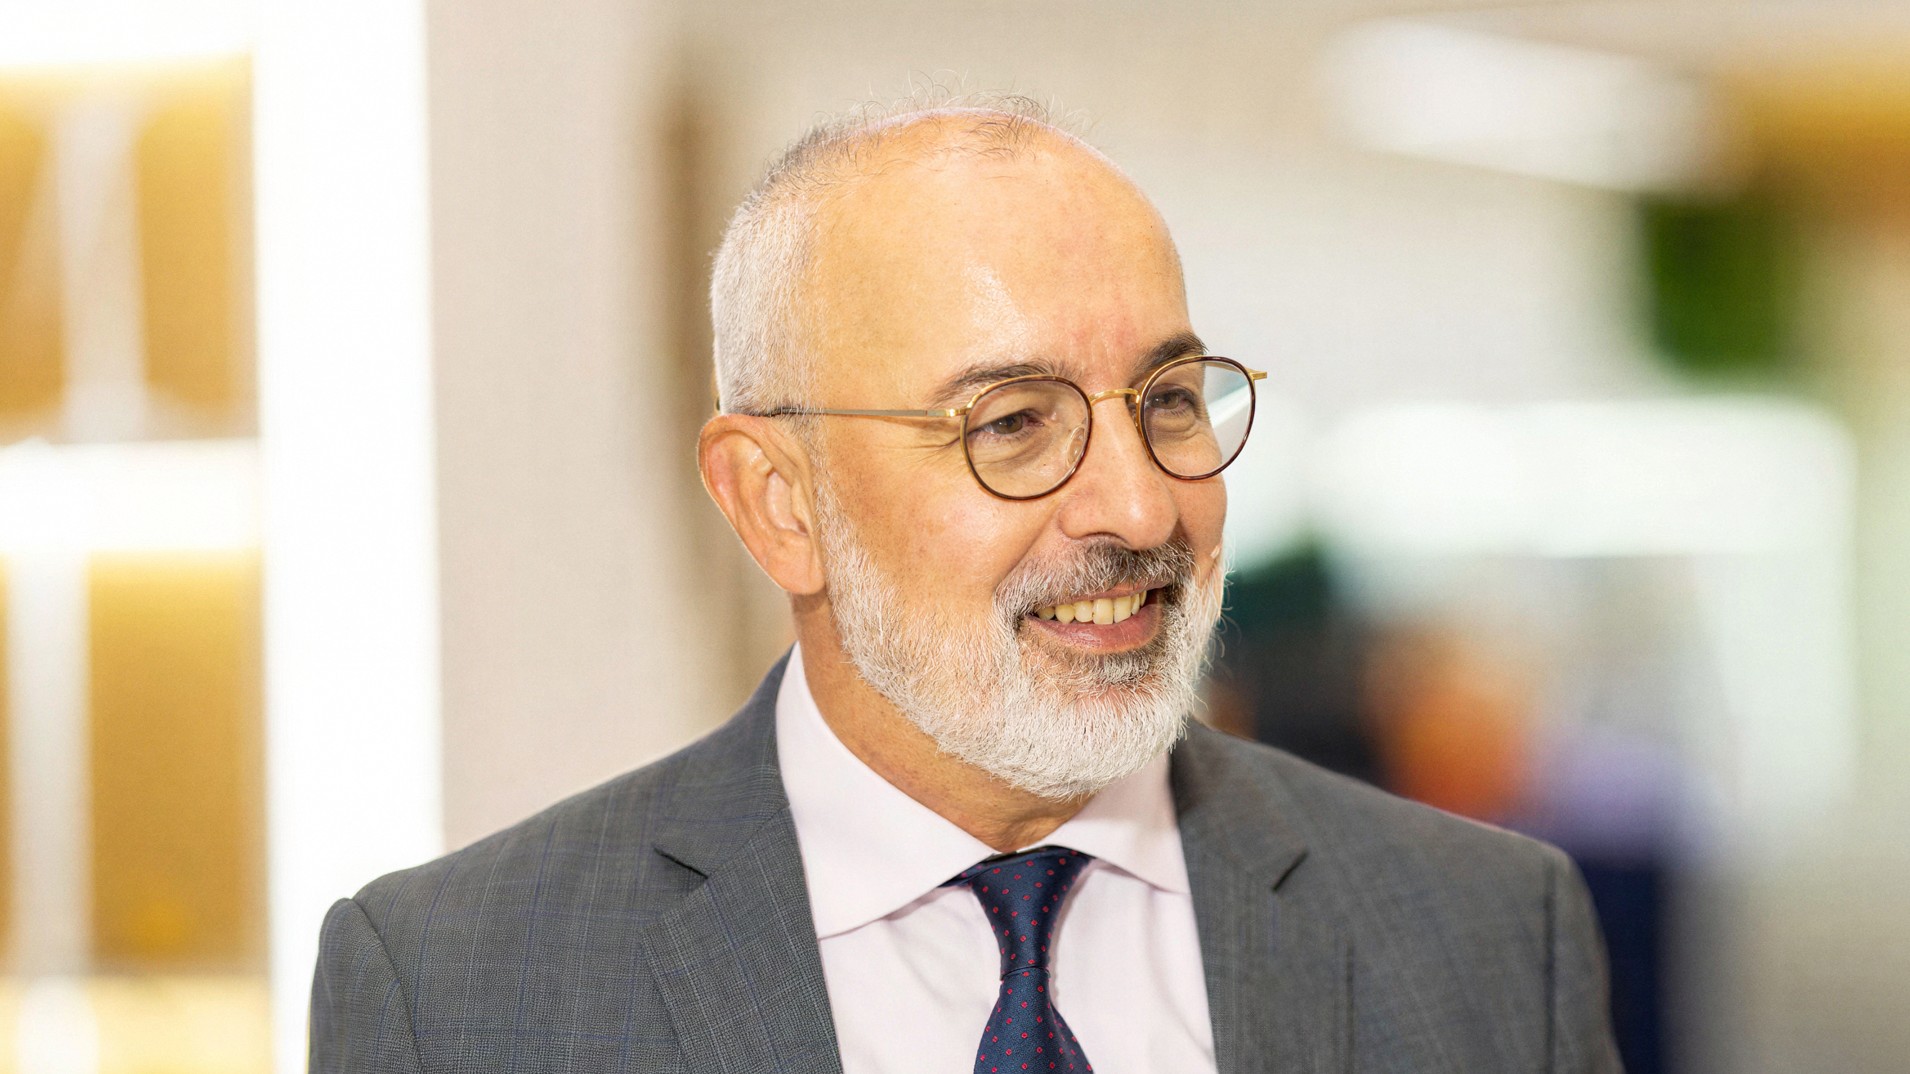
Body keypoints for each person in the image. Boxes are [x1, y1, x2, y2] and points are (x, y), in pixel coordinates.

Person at [309, 96, 1623, 1074]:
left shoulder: (1484, 937)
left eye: (1169, 399)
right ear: (779, 503)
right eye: (1012, 423)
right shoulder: (460, 989)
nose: (1138, 508)